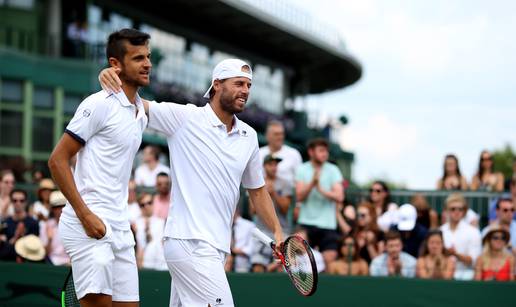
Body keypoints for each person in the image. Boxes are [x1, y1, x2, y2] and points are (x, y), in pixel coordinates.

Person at [100, 57, 285, 307]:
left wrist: (276, 230)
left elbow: (258, 192)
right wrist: (113, 80)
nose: (245, 91)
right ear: (217, 85)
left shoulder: (249, 136)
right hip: (189, 243)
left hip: (216, 248)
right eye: (239, 83)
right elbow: (136, 104)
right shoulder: (185, 118)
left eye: (249, 86)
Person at [48, 28, 151, 307]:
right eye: (138, 57)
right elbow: (57, 160)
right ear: (115, 64)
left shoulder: (140, 111)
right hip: (88, 224)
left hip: (119, 228)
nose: (147, 64)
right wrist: (85, 215)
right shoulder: (97, 104)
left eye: (148, 56)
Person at [295, 138, 344, 269]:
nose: (325, 154)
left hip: (328, 224)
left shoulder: (333, 170)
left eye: (326, 151)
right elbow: (299, 196)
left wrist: (320, 189)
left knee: (330, 260)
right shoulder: (302, 169)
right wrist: (312, 183)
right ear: (311, 152)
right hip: (306, 222)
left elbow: (340, 196)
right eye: (321, 150)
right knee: (298, 254)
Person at [250, 154, 292, 272]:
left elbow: (285, 209)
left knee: (282, 266)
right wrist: (262, 196)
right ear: (264, 166)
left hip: (282, 231)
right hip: (262, 231)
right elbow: (252, 210)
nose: (274, 167)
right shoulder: (256, 182)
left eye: (276, 164)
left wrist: (274, 194)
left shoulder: (285, 183)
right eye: (270, 164)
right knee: (257, 264)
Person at [440, 193, 481, 280]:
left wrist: (454, 254)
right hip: (443, 276)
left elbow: (473, 261)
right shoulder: (440, 231)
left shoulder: (474, 232)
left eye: (460, 209)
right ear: (446, 211)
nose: (457, 212)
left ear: (464, 211)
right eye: (453, 209)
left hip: (466, 278)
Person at [258, 120, 302, 190]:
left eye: (282, 134)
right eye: (276, 134)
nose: (280, 137)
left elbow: (299, 181)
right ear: (267, 136)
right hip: (260, 196)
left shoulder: (294, 154)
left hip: (285, 197)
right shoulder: (258, 154)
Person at [134, 193, 166, 270]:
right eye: (142, 204)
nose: (146, 206)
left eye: (149, 202)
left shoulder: (162, 222)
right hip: (145, 264)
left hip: (161, 264)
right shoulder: (135, 224)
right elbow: (138, 247)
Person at [39, 191, 70, 266]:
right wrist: (49, 239)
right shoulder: (45, 225)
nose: (60, 209)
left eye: (63, 206)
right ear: (52, 209)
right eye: (56, 207)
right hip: (52, 263)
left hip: (71, 263)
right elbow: (44, 253)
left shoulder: (74, 225)